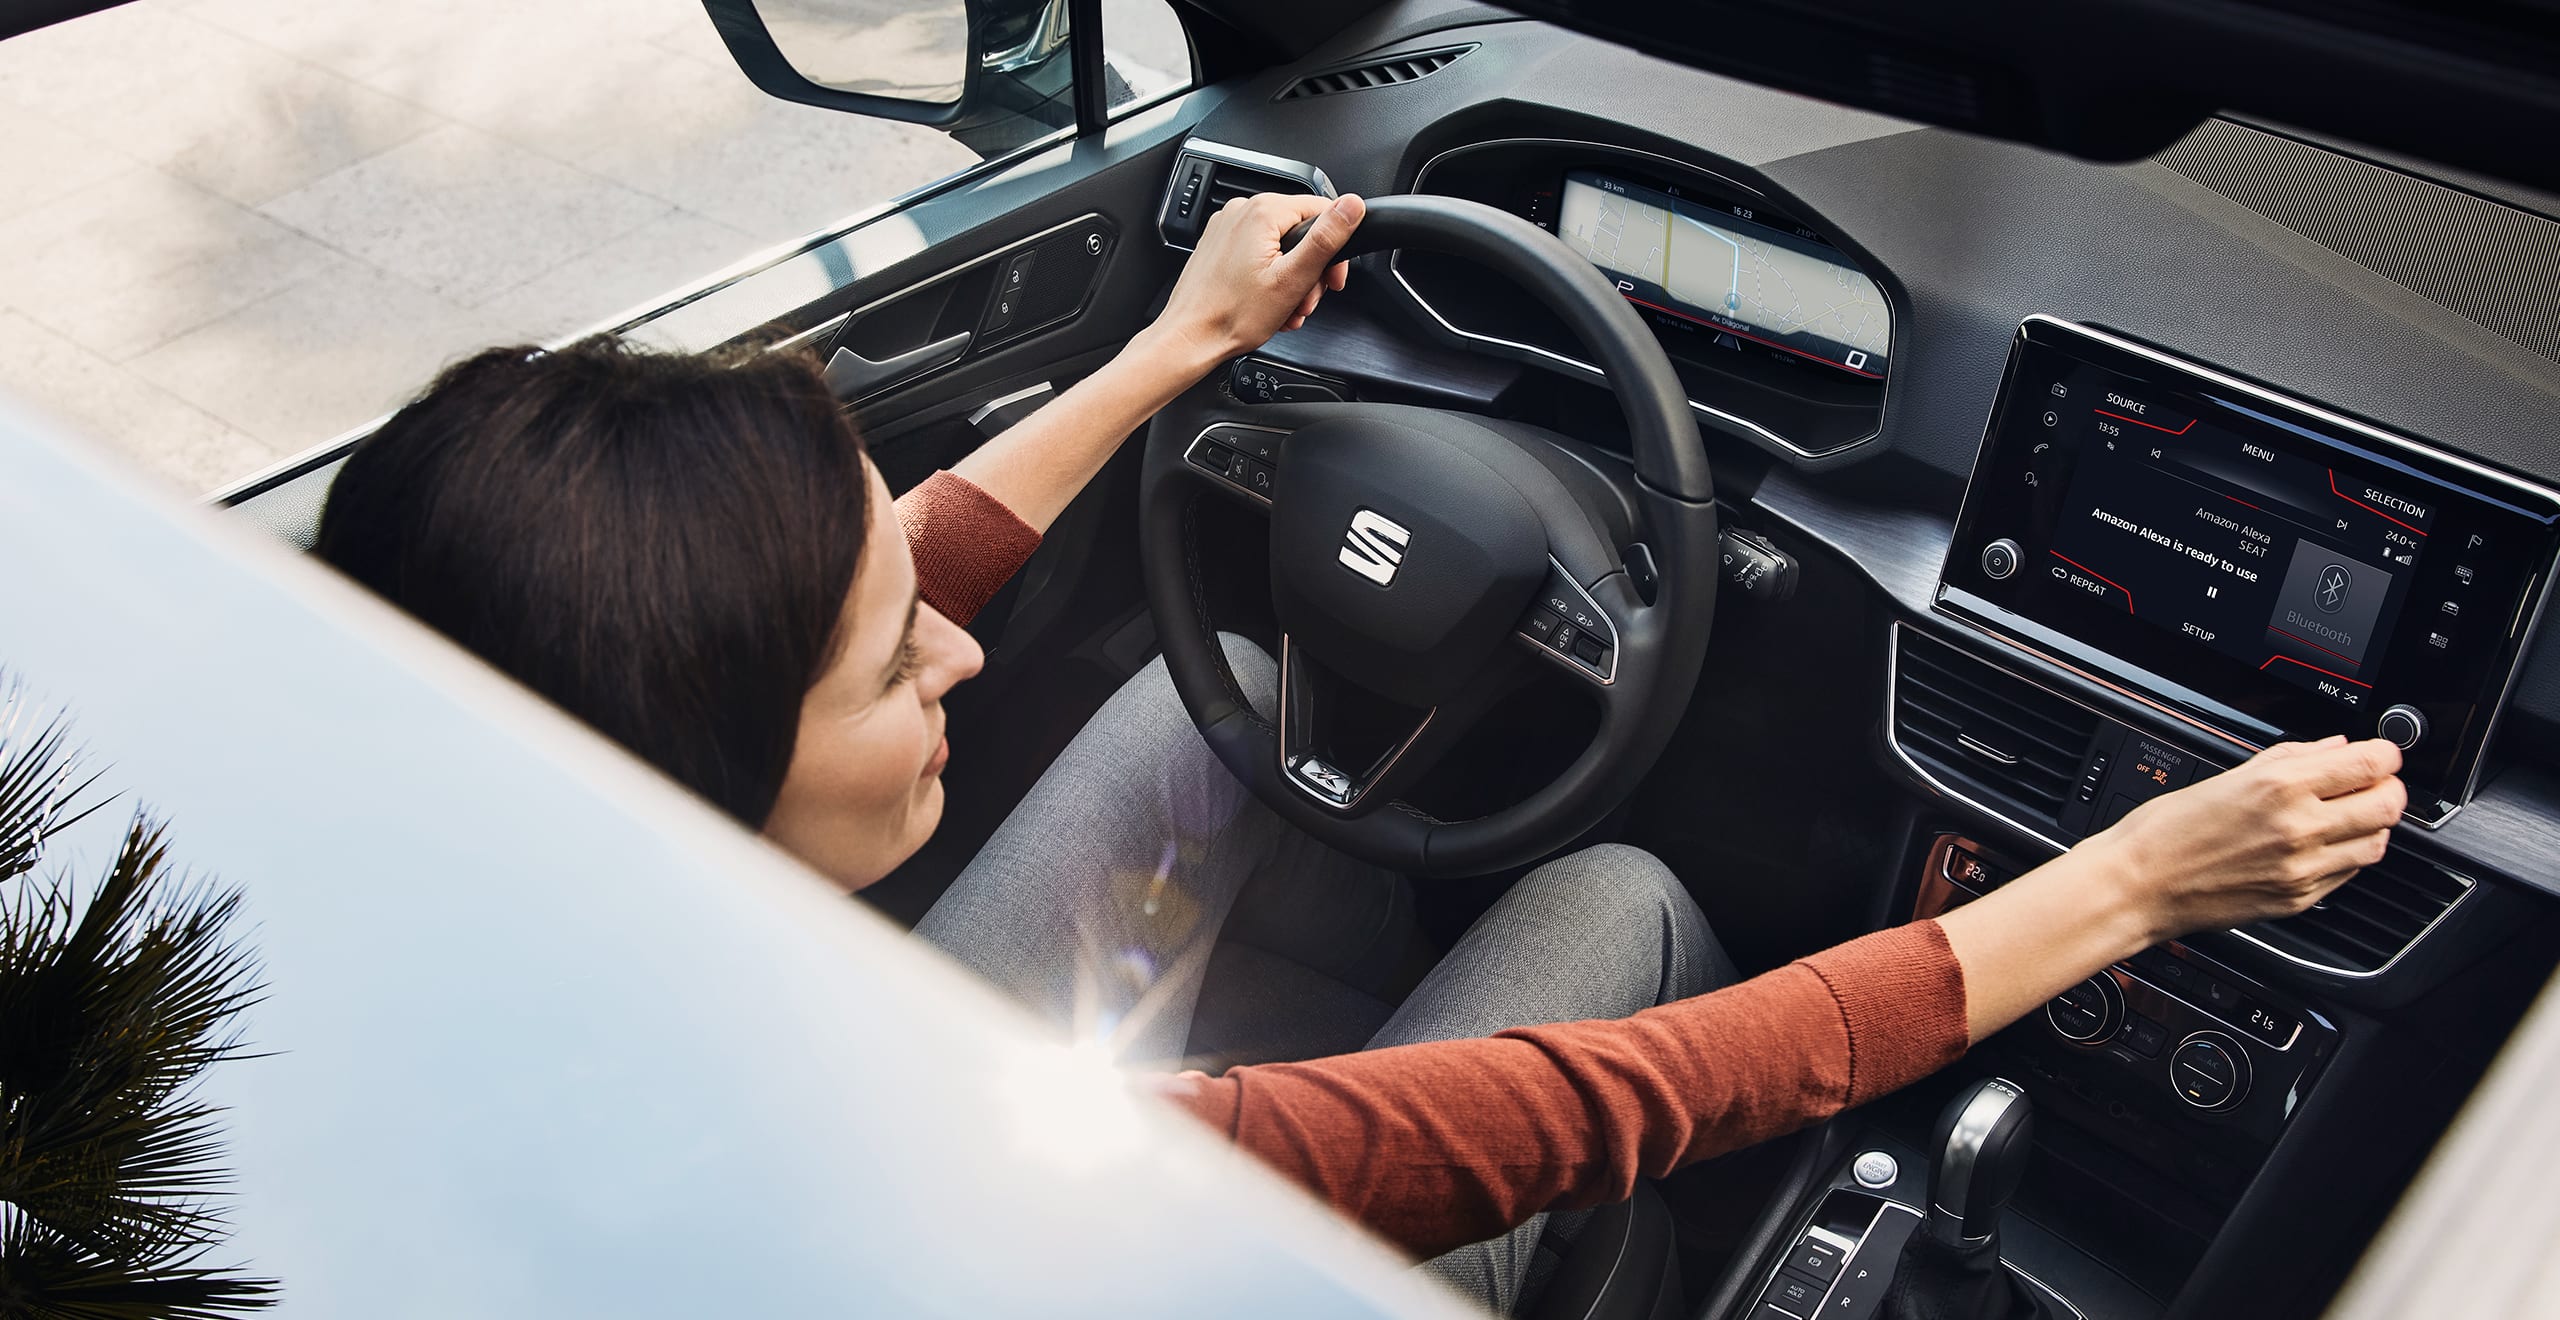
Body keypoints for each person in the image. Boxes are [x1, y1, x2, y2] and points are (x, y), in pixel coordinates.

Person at [312, 192, 2407, 1313]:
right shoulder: (915, 1154)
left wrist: (1178, 346)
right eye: (887, 660)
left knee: (1189, 696)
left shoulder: (474, 862)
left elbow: (873, 573)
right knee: (1617, 902)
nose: (953, 634)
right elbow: (1617, 1095)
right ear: (690, 775)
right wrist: (2133, 880)